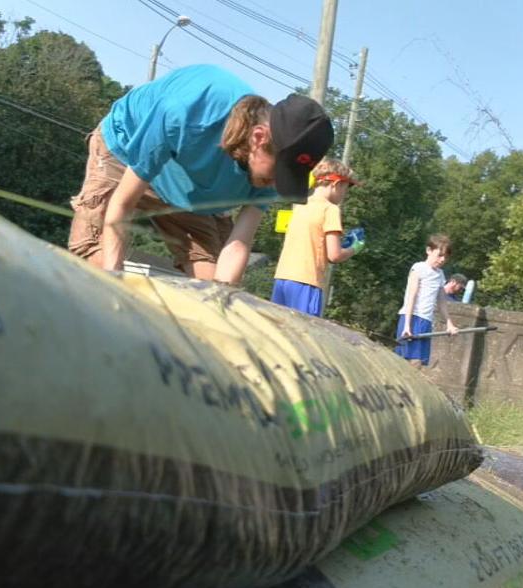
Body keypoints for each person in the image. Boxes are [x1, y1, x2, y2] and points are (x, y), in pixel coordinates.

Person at [68, 64, 333, 283]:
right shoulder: (184, 112)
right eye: (279, 172)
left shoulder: (272, 167)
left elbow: (239, 243)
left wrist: (220, 300)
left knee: (208, 286)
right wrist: (114, 282)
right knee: (100, 268)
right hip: (126, 153)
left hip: (191, 188)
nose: (276, 183)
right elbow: (122, 205)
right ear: (258, 138)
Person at [271, 158, 362, 316]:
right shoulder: (330, 209)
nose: (344, 194)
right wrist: (354, 248)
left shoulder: (300, 205)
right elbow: (334, 255)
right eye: (346, 188)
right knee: (303, 335)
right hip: (308, 281)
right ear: (336, 184)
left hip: (282, 279)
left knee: (278, 334)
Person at [395, 234, 459, 367]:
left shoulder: (440, 275)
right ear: (429, 250)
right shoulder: (418, 268)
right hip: (412, 317)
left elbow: (442, 302)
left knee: (418, 363)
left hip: (426, 321)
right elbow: (411, 297)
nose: (442, 259)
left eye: (445, 257)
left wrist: (449, 324)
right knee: (404, 361)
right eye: (439, 255)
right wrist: (407, 325)